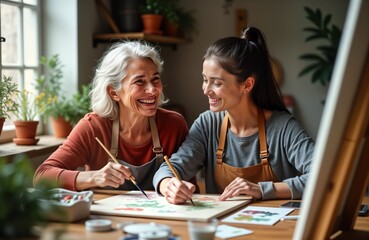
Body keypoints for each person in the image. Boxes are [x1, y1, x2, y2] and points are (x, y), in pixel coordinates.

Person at [153, 27, 314, 204]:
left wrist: (261, 189)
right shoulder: (207, 123)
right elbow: (170, 168)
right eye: (205, 80)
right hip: (220, 228)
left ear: (247, 85)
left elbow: (322, 177)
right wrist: (168, 184)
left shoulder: (283, 127)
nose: (206, 90)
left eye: (216, 83)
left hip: (274, 227)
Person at [33, 41, 192, 191]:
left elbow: (189, 186)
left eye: (155, 79)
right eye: (140, 82)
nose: (152, 90)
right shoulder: (93, 127)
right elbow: (41, 176)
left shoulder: (174, 125)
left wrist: (180, 190)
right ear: (113, 92)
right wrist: (94, 177)